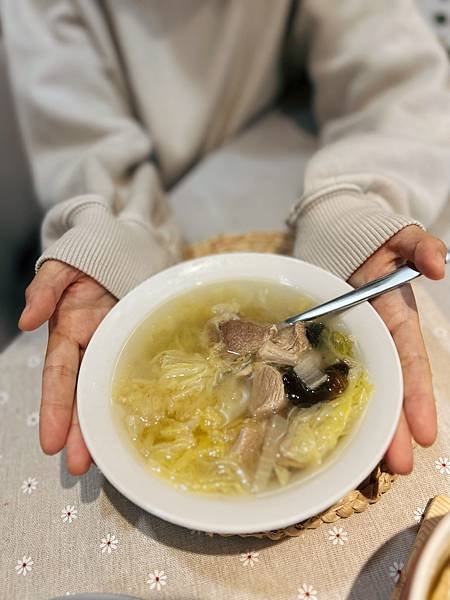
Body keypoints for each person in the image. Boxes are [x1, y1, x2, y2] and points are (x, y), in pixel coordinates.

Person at [2, 1, 449, 477]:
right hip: (169, 193)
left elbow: (392, 78)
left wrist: (352, 207)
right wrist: (112, 238)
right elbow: (78, 139)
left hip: (270, 144)